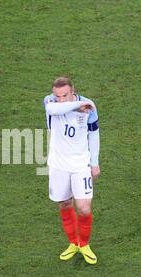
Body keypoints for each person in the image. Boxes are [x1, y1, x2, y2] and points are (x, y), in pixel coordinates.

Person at [43, 76, 100, 265]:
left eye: (65, 95)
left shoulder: (88, 105)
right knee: (65, 204)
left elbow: (93, 134)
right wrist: (76, 106)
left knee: (83, 207)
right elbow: (52, 109)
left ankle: (84, 244)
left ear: (73, 90)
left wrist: (95, 162)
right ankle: (73, 243)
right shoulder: (50, 102)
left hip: (80, 165)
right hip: (58, 165)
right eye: (57, 95)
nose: (60, 99)